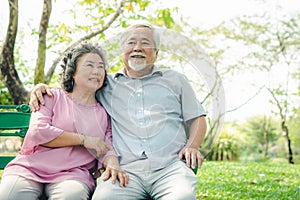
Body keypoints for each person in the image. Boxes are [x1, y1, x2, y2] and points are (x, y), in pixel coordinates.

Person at [29, 23, 207, 200]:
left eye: (145, 43)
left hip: (170, 167)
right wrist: (42, 87)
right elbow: (78, 87)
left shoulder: (176, 80)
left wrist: (192, 145)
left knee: (181, 197)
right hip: (125, 170)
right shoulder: (106, 84)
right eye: (131, 43)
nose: (137, 48)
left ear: (156, 53)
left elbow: (197, 117)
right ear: (122, 52)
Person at [0, 43, 128, 200]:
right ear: (73, 72)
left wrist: (113, 163)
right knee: (10, 194)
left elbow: (107, 146)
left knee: (72, 196)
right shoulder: (50, 96)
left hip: (72, 174)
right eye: (89, 65)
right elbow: (38, 131)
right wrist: (83, 140)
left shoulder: (103, 112)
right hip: (30, 168)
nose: (96, 71)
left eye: (100, 67)